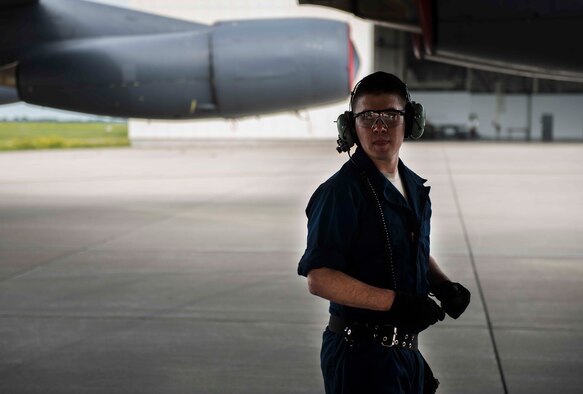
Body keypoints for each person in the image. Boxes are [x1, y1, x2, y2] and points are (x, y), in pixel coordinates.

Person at [297, 71, 471, 394]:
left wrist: (443, 285)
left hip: (406, 355)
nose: (379, 126)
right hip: (360, 359)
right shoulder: (340, 193)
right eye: (367, 117)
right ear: (351, 126)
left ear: (410, 121)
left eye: (391, 115)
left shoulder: (415, 188)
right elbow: (320, 277)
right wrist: (396, 304)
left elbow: (404, 245)